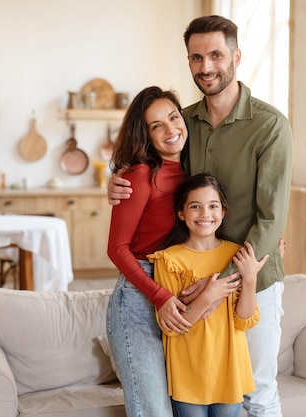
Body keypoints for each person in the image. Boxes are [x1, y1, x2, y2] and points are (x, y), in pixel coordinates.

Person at [108, 15, 293, 417]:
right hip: (187, 283)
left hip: (249, 281)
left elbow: (270, 218)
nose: (206, 67)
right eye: (196, 57)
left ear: (237, 56)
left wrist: (217, 283)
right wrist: (115, 181)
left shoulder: (270, 126)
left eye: (215, 55)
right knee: (187, 392)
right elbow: (146, 169)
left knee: (257, 394)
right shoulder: (183, 122)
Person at [106, 86, 227, 417]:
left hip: (178, 290)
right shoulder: (140, 175)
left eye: (174, 117)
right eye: (156, 125)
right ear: (144, 134)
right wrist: (159, 296)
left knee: (182, 407)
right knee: (153, 412)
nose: (171, 129)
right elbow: (116, 249)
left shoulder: (192, 171)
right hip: (139, 298)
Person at [148, 173, 267, 417]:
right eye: (195, 207)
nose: (205, 214)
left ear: (223, 212)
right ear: (181, 213)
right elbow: (171, 327)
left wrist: (250, 278)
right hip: (189, 375)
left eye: (213, 206)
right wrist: (209, 294)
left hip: (229, 373)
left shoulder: (237, 256)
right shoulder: (169, 259)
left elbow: (244, 320)